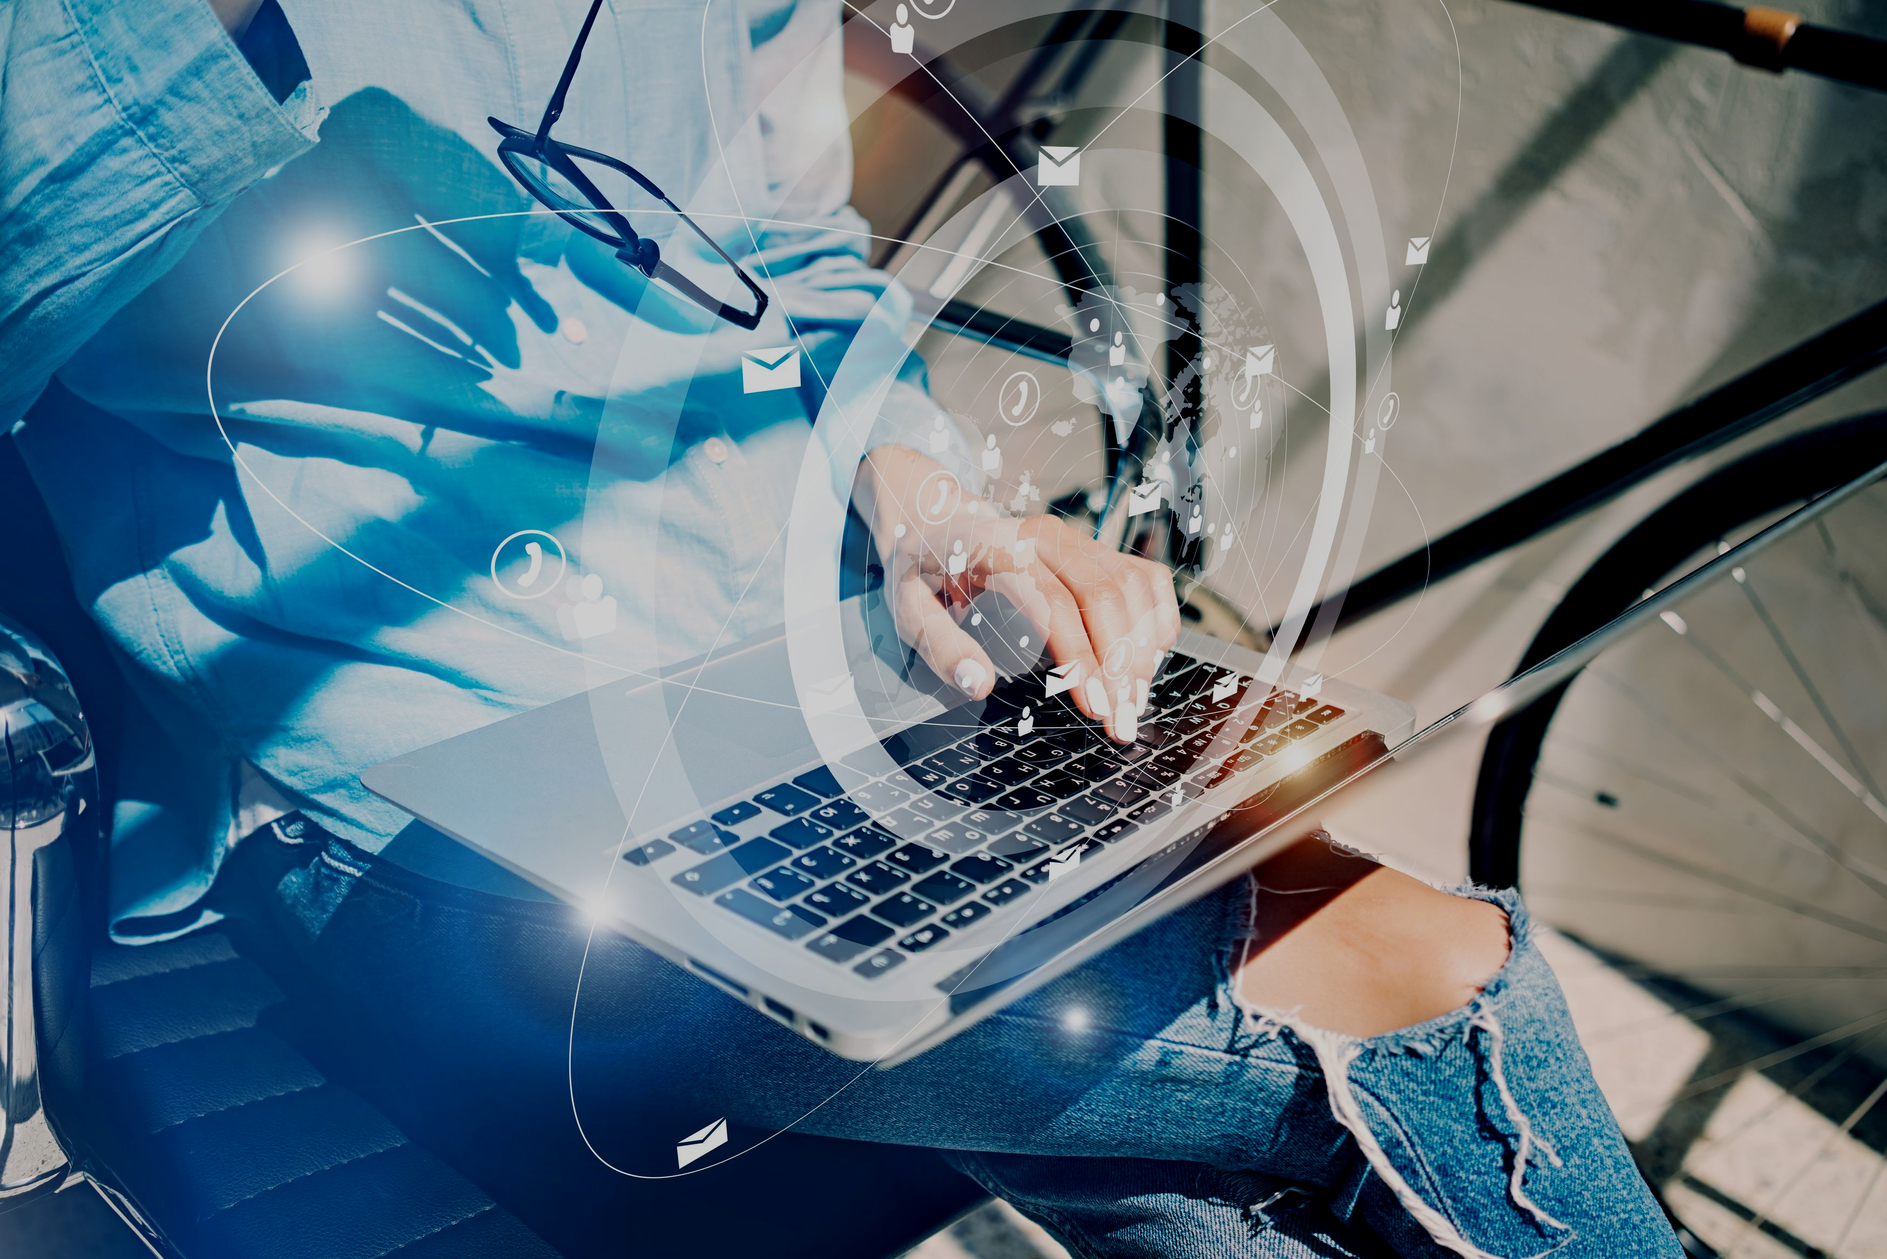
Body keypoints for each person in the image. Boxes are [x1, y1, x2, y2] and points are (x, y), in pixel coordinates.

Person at [0, 0, 1680, 1254]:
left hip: (816, 660)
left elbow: (774, 244)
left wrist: (924, 496)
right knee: (1427, 982)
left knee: (1216, 1205)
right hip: (428, 780)